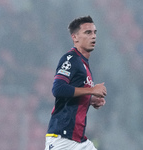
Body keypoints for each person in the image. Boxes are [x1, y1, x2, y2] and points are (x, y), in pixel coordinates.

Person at [45, 16, 107, 150]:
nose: (93, 36)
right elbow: (58, 89)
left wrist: (90, 100)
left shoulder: (84, 63)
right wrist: (92, 90)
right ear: (75, 37)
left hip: (79, 140)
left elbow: (72, 93)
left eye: (95, 32)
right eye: (88, 32)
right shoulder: (71, 59)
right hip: (62, 138)